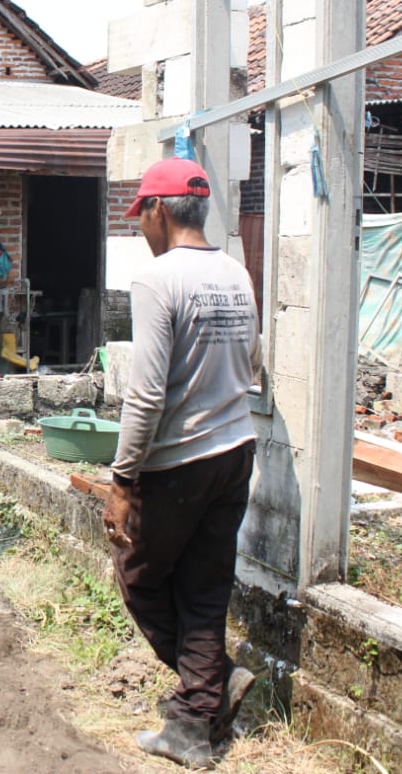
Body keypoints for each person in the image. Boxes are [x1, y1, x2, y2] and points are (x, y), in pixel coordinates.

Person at [104, 157, 261, 768]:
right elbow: (253, 361)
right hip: (236, 450)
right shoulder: (237, 273)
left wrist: (121, 480)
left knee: (139, 575)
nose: (141, 226)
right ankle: (196, 722)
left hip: (180, 462)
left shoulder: (158, 278)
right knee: (204, 584)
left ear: (159, 211)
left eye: (140, 213)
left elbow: (146, 393)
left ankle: (206, 692)